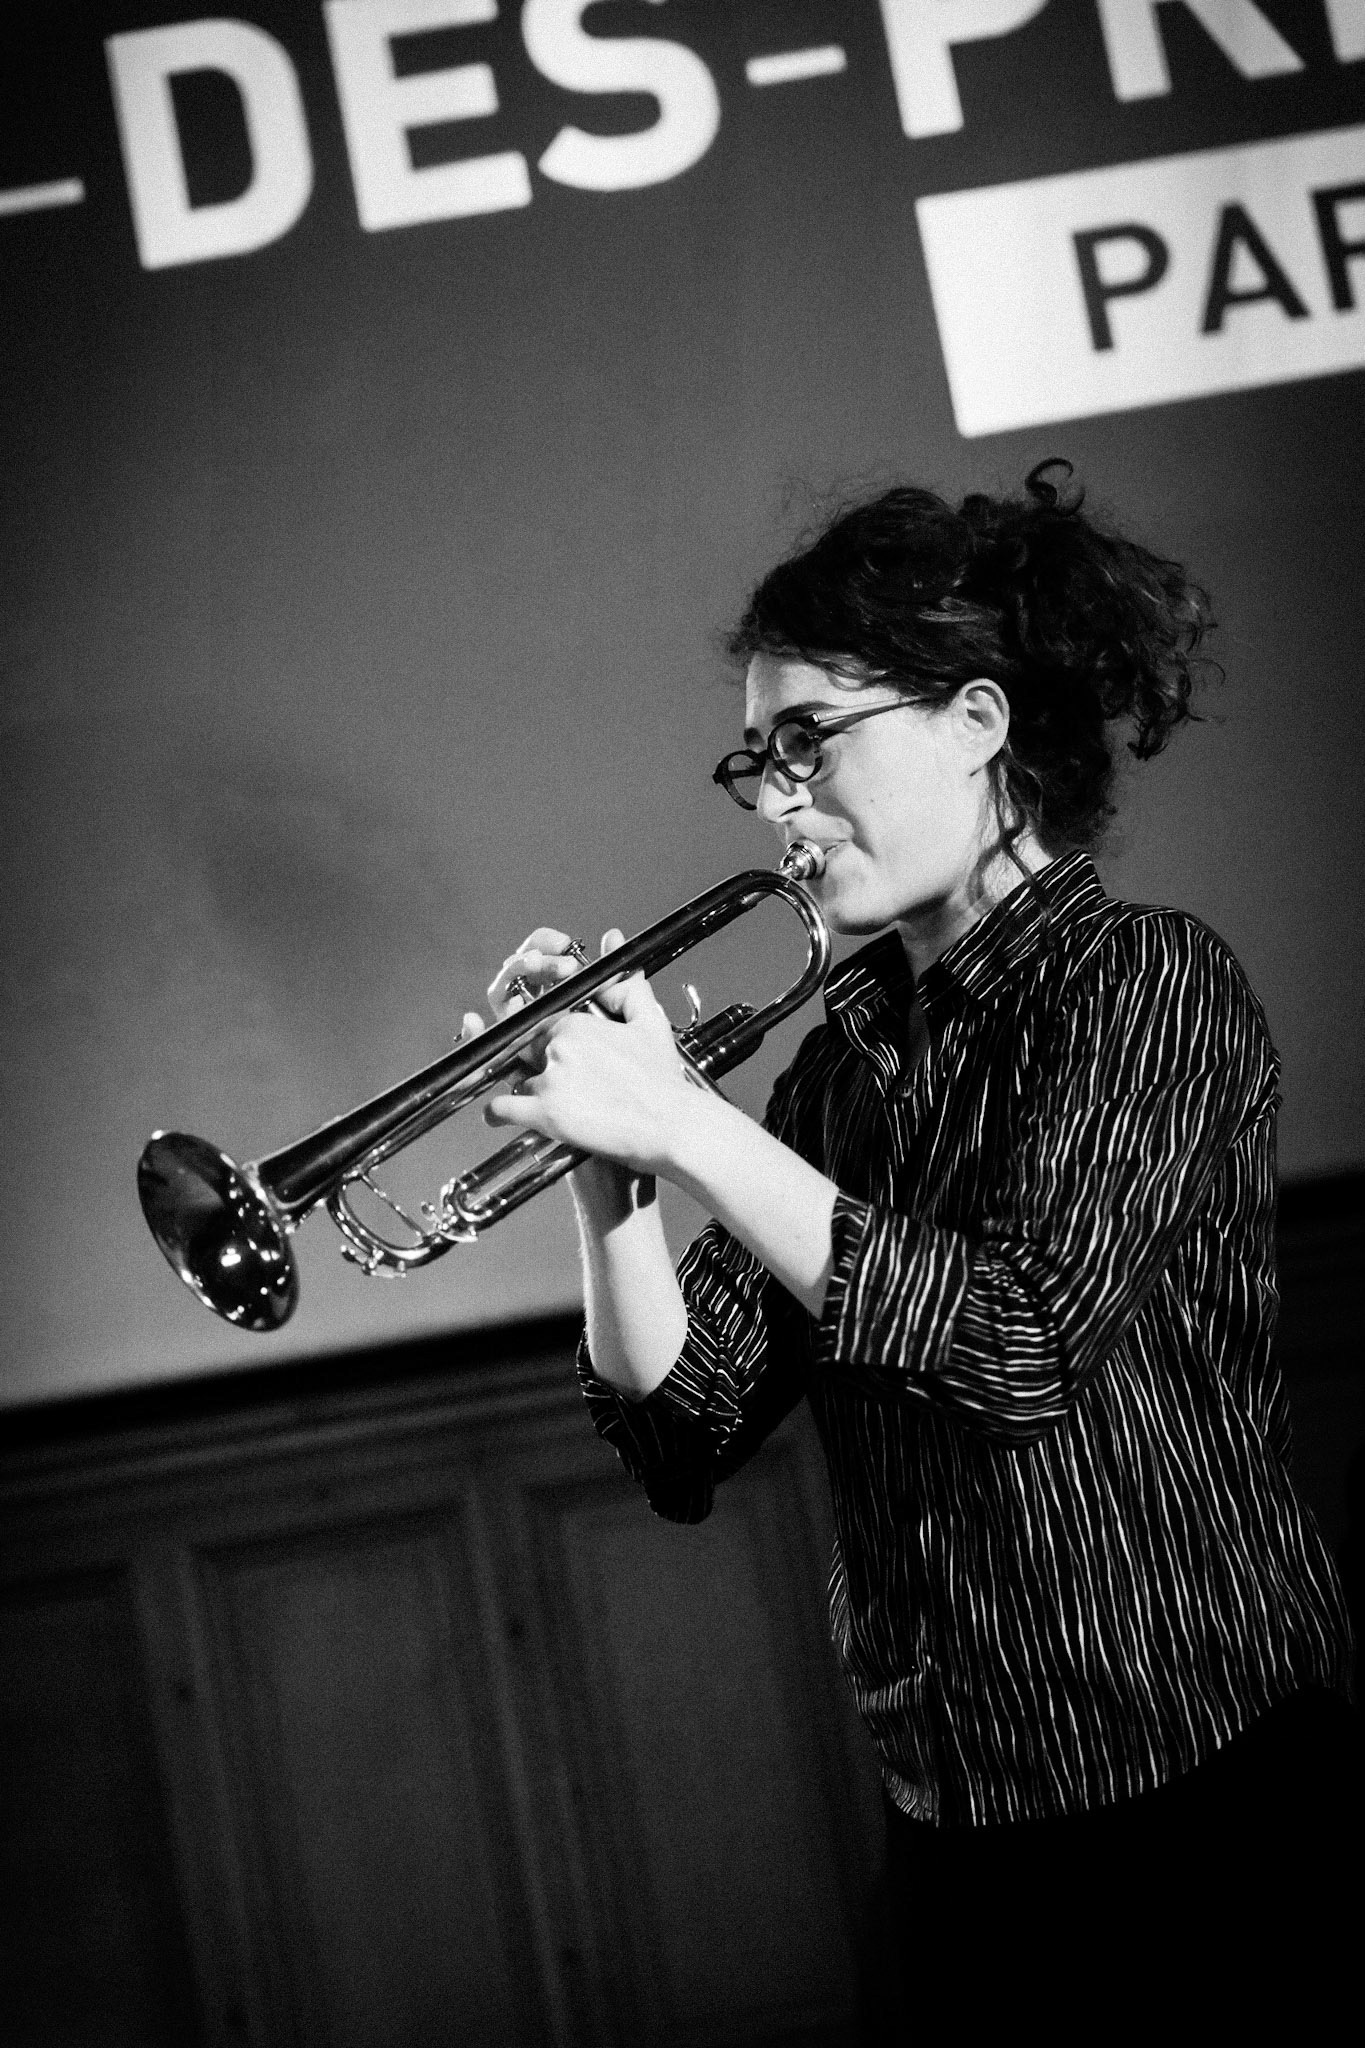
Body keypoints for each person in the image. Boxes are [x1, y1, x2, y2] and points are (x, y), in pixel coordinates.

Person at [469, 462, 1358, 2029]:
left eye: (809, 740)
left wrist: (684, 1124)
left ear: (975, 720)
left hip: (1209, 1806)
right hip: (956, 1819)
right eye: (755, 761)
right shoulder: (832, 1076)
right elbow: (683, 1432)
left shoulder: (1146, 986)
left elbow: (1015, 1346)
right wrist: (607, 1176)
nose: (775, 798)